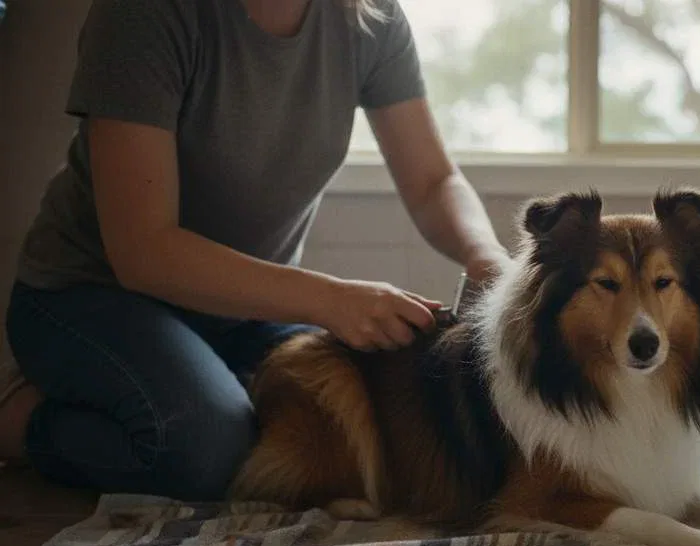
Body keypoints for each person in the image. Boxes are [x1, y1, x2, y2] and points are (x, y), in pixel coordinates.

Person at [0, 0, 510, 500]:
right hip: (89, 295)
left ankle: (202, 383)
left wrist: (485, 257)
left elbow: (432, 181)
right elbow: (144, 250)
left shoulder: (371, 17)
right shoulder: (143, 13)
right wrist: (330, 300)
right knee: (206, 450)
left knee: (361, 408)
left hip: (243, 309)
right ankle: (19, 419)